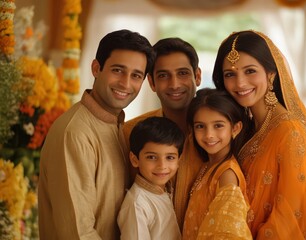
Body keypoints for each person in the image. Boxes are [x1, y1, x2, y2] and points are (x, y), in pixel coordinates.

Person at [212, 30, 306, 239]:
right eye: (230, 74)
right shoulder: (245, 128)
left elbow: (288, 215)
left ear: (271, 74)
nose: (240, 83)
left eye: (250, 71)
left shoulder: (290, 131)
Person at [38, 29, 155, 239]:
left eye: (136, 75)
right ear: (96, 68)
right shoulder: (74, 133)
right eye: (118, 70)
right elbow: (76, 232)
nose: (126, 83)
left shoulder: (119, 127)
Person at [122, 37, 203, 229]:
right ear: (151, 82)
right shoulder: (130, 132)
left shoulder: (216, 136)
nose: (174, 84)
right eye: (163, 75)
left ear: (197, 76)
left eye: (182, 73)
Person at [182, 88, 253, 240]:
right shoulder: (207, 165)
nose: (209, 135)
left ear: (235, 128)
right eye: (200, 126)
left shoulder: (227, 174)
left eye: (218, 125)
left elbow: (227, 234)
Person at [118, 116, 184, 240]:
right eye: (152, 157)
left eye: (170, 157)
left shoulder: (167, 190)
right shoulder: (137, 204)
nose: (162, 166)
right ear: (135, 159)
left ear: (178, 160)